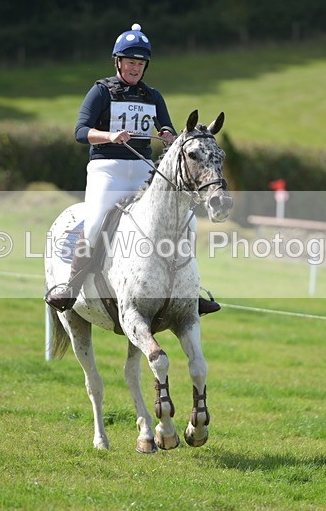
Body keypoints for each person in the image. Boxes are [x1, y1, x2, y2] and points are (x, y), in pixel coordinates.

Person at [45, 23, 220, 316]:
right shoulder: (101, 91)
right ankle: (70, 287)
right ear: (118, 62)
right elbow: (80, 131)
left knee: (186, 221)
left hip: (143, 170)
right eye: (130, 62)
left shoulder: (152, 96)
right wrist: (109, 136)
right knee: (96, 222)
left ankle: (189, 290)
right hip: (107, 169)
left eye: (140, 63)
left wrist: (167, 134)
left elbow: (167, 128)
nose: (135, 68)